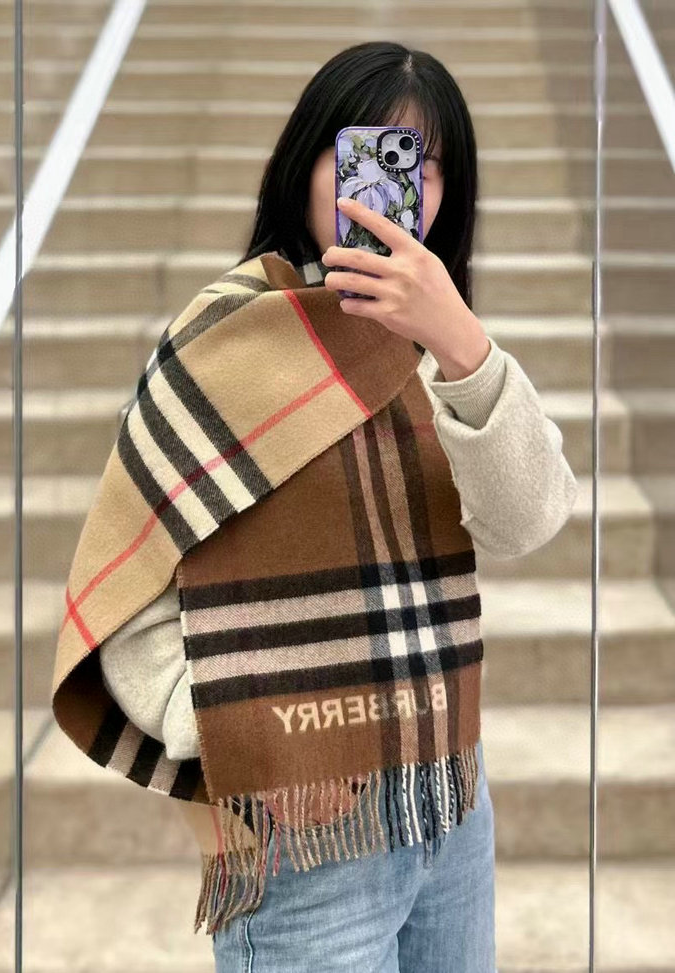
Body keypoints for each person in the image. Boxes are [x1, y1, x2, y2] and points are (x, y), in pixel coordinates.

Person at [99, 42, 578, 972]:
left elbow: (527, 520)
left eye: (424, 164)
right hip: (304, 840)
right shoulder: (227, 338)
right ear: (308, 162)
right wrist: (248, 738)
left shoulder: (442, 352)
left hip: (448, 799)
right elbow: (125, 587)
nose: (394, 184)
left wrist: (463, 345)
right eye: (370, 152)